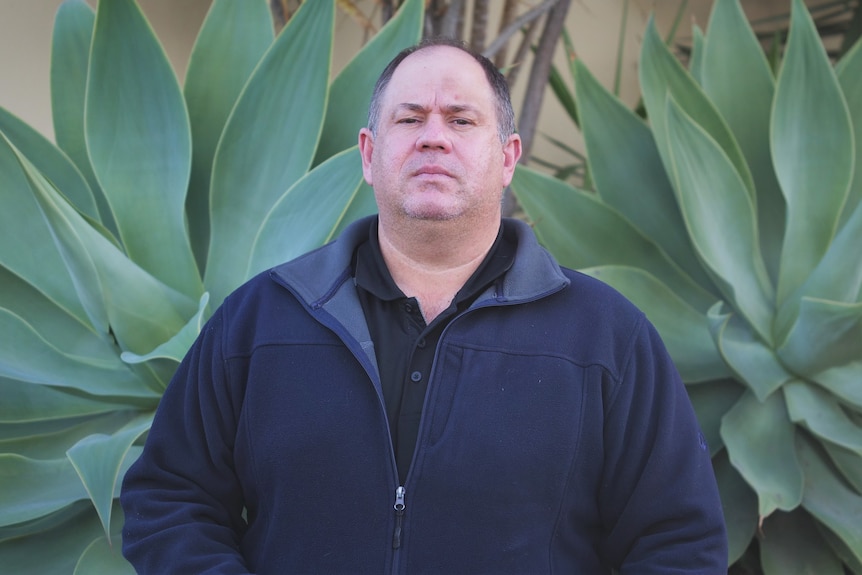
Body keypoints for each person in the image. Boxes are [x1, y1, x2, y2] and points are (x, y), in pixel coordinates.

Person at [120, 38, 728, 574]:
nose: (433, 135)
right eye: (410, 118)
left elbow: (678, 541)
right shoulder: (261, 320)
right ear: (368, 153)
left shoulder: (606, 338)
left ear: (509, 157)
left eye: (462, 121)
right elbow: (170, 498)